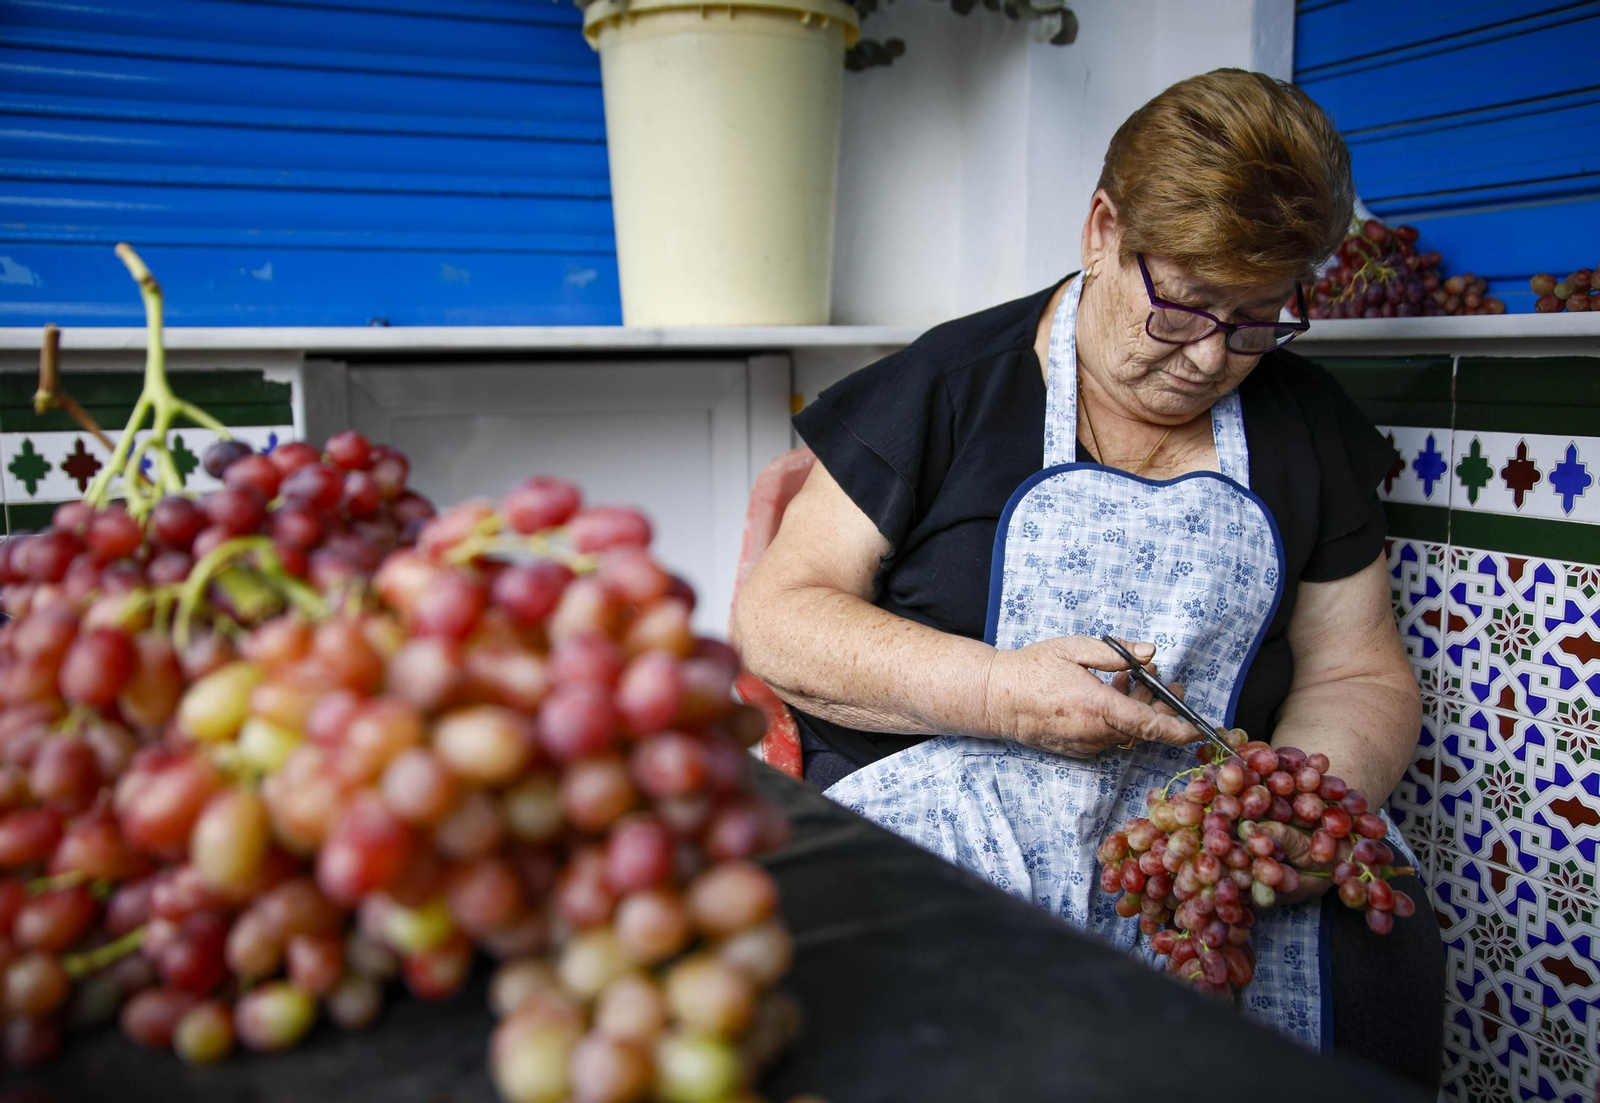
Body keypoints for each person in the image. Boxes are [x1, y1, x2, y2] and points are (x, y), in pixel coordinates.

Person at [733, 69, 1444, 1089]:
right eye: (1186, 305)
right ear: (1102, 228)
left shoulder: (1310, 422)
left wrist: (1301, 796)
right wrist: (996, 691)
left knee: (1383, 956)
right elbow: (779, 617)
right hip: (955, 824)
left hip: (1208, 849)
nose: (1210, 358)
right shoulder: (945, 385)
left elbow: (1357, 674)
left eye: (1255, 320)